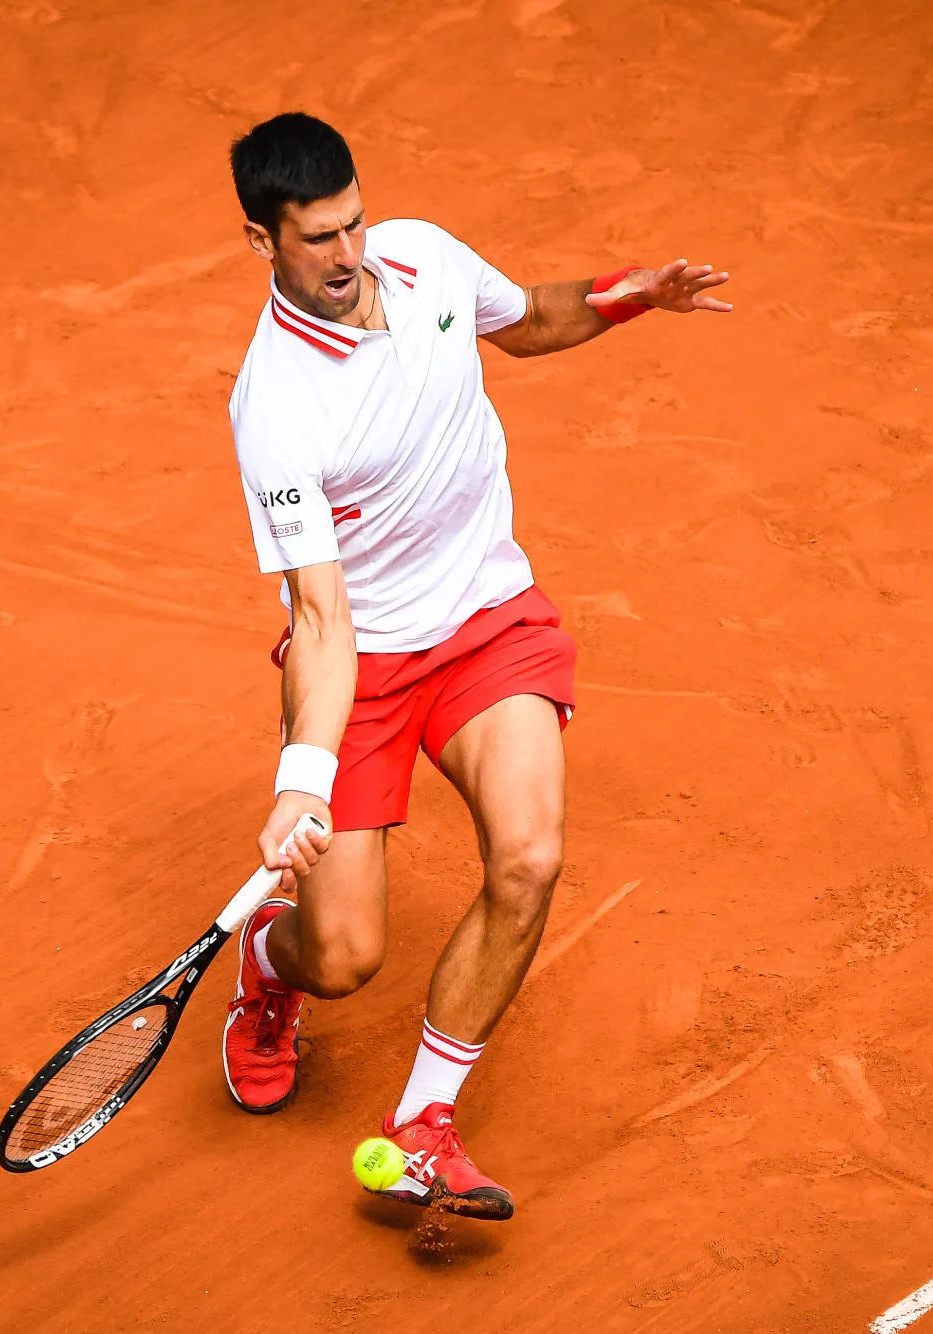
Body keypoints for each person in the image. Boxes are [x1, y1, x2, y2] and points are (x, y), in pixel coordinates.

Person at [221, 112, 732, 1220]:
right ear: (263, 242)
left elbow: (532, 319)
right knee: (345, 953)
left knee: (529, 857)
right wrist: (300, 780)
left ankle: (423, 1122)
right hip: (363, 660)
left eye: (353, 221)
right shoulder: (274, 405)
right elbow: (318, 615)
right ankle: (272, 961)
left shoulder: (425, 256)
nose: (349, 255)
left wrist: (634, 290)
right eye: (317, 239)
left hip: (487, 621)